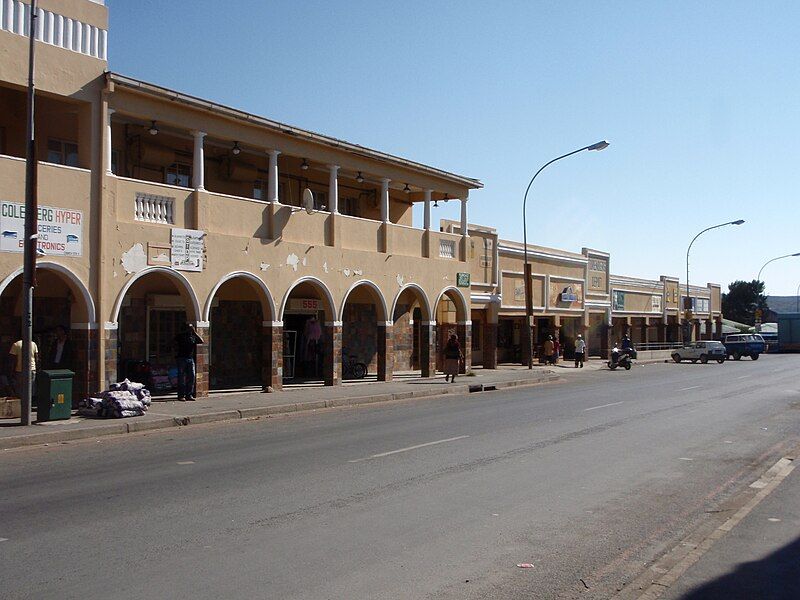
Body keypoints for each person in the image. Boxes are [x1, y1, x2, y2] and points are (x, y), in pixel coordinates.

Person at [174, 322, 204, 401]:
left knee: (191, 377)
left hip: (190, 359)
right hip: (181, 358)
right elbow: (172, 343)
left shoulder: (193, 337)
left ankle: (189, 394)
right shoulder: (180, 336)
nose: (190, 330)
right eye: (189, 328)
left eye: (191, 328)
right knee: (181, 378)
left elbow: (201, 341)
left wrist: (194, 332)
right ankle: (181, 395)